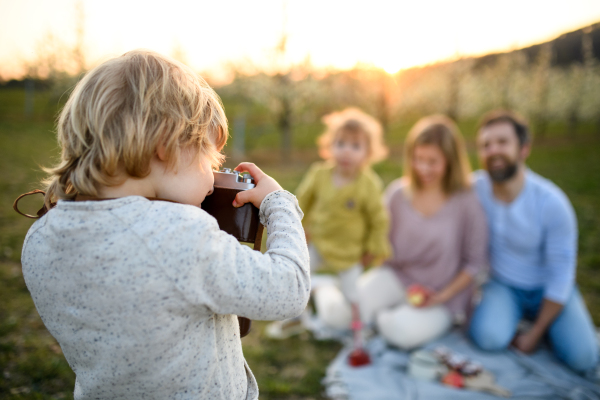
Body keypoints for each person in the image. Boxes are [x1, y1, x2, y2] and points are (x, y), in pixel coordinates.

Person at [19, 50, 310, 399]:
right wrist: (279, 203)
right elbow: (289, 288)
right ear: (166, 144)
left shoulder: (40, 236)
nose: (213, 173)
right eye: (209, 157)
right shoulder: (177, 235)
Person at [468, 110, 598, 374]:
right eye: (486, 145)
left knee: (585, 358)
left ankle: (547, 324)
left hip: (548, 290)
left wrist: (535, 335)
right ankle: (515, 317)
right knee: (488, 339)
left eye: (502, 142)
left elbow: (562, 276)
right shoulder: (475, 188)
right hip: (503, 285)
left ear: (524, 149)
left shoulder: (551, 203)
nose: (493, 150)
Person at [357, 115, 488, 349]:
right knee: (351, 306)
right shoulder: (397, 194)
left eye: (432, 161)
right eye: (418, 159)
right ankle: (325, 288)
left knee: (401, 333)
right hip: (398, 277)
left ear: (450, 161)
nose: (423, 168)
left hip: (442, 294)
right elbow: (379, 241)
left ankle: (381, 319)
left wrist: (442, 297)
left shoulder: (467, 202)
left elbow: (474, 264)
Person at [267, 108, 390, 337]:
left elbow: (378, 219)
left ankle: (359, 327)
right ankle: (294, 317)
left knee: (353, 293)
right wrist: (299, 228)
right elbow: (301, 201)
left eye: (355, 146)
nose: (346, 151)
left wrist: (374, 247)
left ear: (368, 153)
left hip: (350, 251)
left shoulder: (368, 184)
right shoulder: (319, 174)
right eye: (341, 143)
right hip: (320, 241)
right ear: (330, 146)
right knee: (299, 277)